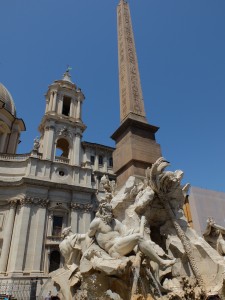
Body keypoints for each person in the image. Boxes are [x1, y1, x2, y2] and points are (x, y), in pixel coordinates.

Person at [88, 202, 175, 267]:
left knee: (137, 233)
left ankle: (149, 253)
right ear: (102, 211)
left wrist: (138, 228)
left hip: (121, 245)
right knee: (138, 237)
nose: (110, 213)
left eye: (111, 211)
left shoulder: (114, 222)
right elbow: (89, 236)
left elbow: (125, 232)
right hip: (113, 249)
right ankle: (161, 262)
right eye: (108, 211)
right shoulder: (96, 223)